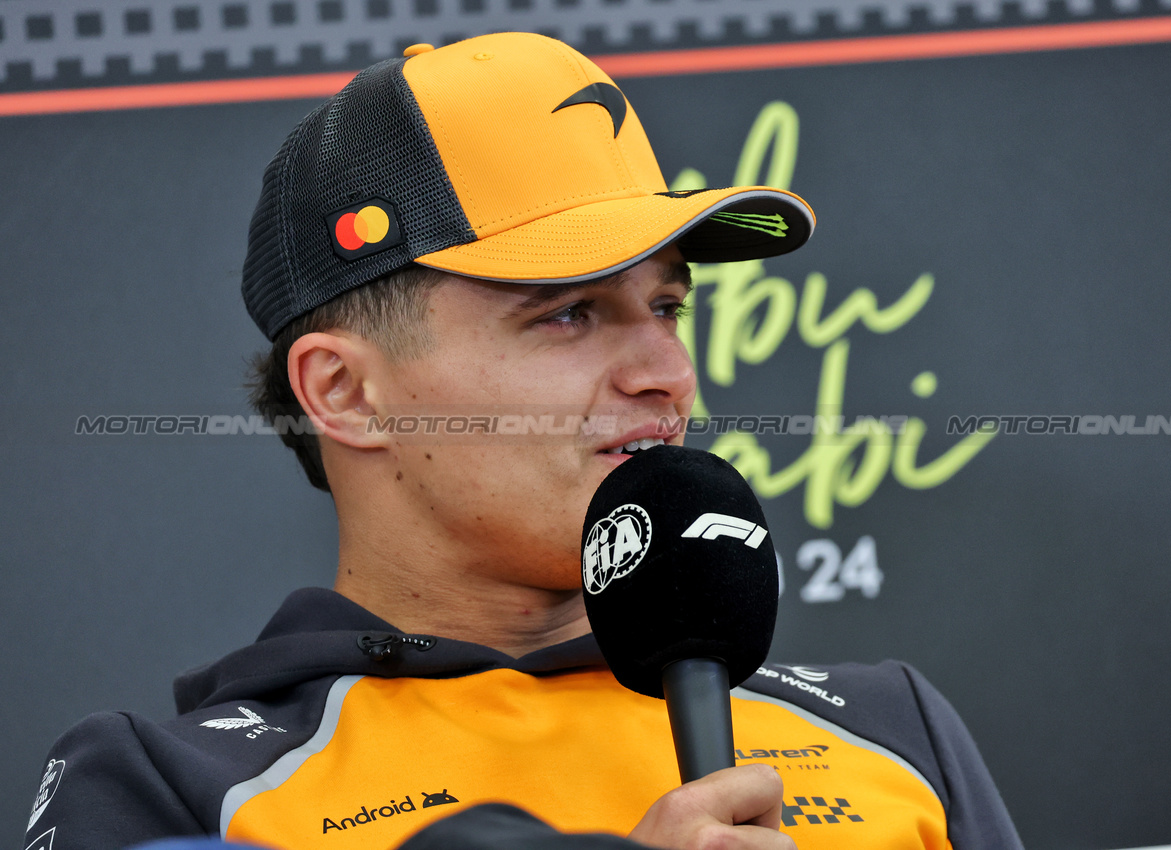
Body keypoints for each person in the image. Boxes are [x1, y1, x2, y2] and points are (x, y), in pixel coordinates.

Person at [21, 32, 1022, 850]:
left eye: (667, 305)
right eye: (568, 314)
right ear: (347, 393)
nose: (666, 373)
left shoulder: (890, 726)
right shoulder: (173, 785)